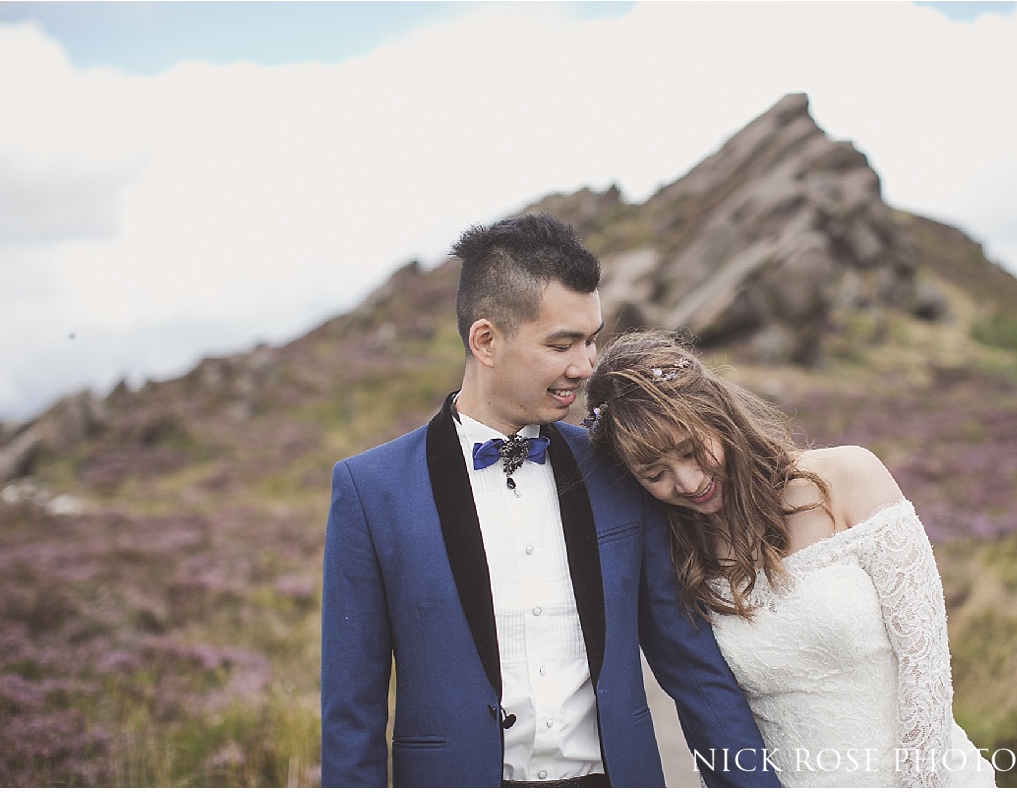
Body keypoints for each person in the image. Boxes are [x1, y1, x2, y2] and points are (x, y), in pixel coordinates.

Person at [320, 214, 779, 788]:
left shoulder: (616, 469)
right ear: (485, 341)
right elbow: (351, 710)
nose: (585, 366)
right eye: (561, 344)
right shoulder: (372, 489)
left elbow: (691, 665)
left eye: (591, 339)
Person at [582, 330, 997, 788]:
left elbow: (926, 667)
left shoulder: (848, 476)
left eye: (690, 450)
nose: (688, 481)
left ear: (716, 414)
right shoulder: (678, 555)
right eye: (655, 474)